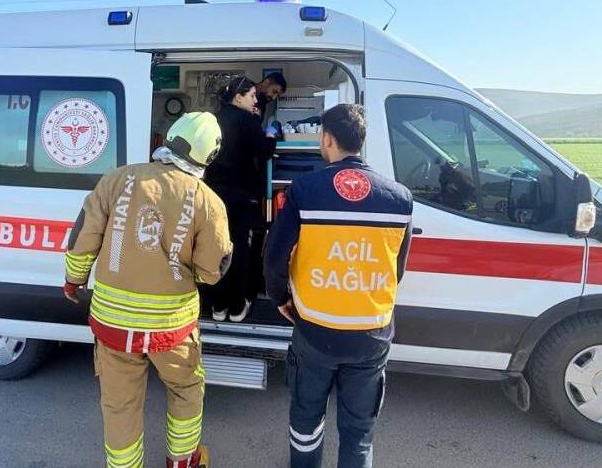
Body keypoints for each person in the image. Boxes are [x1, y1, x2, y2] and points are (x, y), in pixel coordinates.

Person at [64, 112, 233, 468]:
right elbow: (212, 271)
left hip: (112, 324)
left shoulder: (117, 179)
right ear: (210, 155)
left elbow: (82, 239)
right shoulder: (208, 201)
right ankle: (182, 462)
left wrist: (73, 280)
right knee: (186, 389)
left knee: (119, 404)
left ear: (169, 139)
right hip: (171, 328)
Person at [264, 104, 413, 468]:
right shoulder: (399, 198)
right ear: (362, 141)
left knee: (306, 420)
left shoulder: (305, 190)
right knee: (359, 433)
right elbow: (397, 269)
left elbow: (275, 256)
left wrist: (280, 297)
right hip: (371, 333)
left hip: (315, 329)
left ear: (327, 139)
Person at [204, 76, 277, 322]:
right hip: (241, 196)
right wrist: (271, 134)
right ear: (238, 97)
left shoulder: (212, 119)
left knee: (216, 247)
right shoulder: (247, 120)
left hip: (214, 194)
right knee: (239, 250)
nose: (256, 100)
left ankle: (217, 306)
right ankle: (236, 307)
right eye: (252, 96)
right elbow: (264, 150)